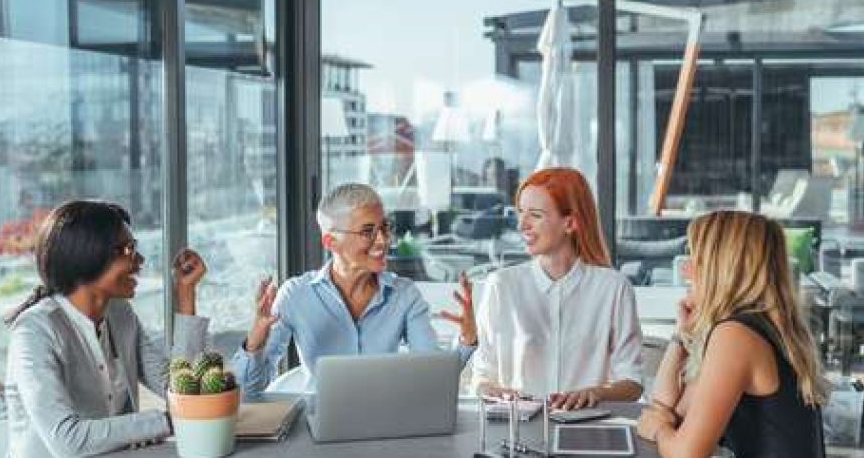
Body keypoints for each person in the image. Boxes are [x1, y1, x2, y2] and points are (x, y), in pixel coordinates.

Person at [4, 200, 211, 458]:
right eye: (128, 249)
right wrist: (167, 421)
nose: (140, 260)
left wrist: (185, 294)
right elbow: (68, 441)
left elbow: (182, 390)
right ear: (87, 256)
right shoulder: (35, 332)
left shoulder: (120, 315)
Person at [232, 183, 477, 397]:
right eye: (368, 231)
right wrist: (254, 342)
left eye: (385, 227)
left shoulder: (404, 295)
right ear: (331, 242)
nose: (383, 240)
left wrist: (466, 340)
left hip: (385, 427)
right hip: (316, 430)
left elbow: (432, 379)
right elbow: (250, 391)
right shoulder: (295, 295)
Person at [636, 210, 826, 457]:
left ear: (723, 268)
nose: (686, 270)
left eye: (696, 258)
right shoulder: (753, 327)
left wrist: (659, 431)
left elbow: (685, 453)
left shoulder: (736, 337)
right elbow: (667, 409)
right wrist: (682, 334)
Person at [472, 167, 646, 410]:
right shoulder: (501, 286)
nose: (522, 224)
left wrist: (594, 392)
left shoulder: (614, 288)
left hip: (588, 430)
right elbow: (482, 375)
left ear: (570, 223)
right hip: (517, 432)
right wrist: (490, 390)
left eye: (536, 215)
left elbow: (633, 383)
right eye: (521, 212)